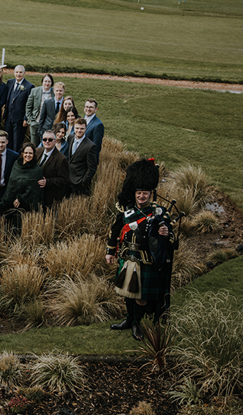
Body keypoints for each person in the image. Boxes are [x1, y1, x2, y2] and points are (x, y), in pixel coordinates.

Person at [106, 159, 175, 340]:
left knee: (141, 296)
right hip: (128, 256)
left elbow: (172, 237)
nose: (141, 197)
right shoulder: (126, 212)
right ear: (135, 193)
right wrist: (110, 251)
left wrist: (166, 232)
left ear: (150, 194)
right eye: (139, 193)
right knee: (128, 292)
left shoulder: (159, 212)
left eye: (145, 193)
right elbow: (115, 230)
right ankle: (129, 320)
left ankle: (136, 323)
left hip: (146, 260)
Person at [0, 142, 44, 230]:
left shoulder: (37, 169)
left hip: (25, 205)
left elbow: (33, 189)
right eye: (26, 153)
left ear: (34, 155)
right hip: (10, 201)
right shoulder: (16, 164)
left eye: (30, 153)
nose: (28, 155)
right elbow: (12, 183)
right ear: (22, 153)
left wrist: (20, 199)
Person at [4, 65, 34, 154]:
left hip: (20, 119)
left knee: (17, 142)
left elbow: (30, 104)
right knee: (8, 140)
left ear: (24, 73)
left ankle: (16, 158)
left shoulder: (29, 86)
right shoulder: (10, 82)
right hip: (8, 117)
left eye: (20, 72)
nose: (18, 74)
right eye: (17, 72)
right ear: (14, 73)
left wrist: (26, 118)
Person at [35, 129, 70, 208]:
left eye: (50, 140)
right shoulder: (37, 151)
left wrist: (47, 182)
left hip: (49, 196)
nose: (47, 141)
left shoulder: (61, 159)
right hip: (35, 193)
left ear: (55, 141)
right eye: (45, 139)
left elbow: (64, 180)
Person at [67, 118, 98, 196]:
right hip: (67, 179)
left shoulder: (90, 146)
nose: (79, 131)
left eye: (82, 128)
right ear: (74, 128)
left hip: (78, 182)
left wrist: (83, 181)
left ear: (85, 129)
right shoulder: (70, 138)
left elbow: (92, 168)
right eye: (77, 128)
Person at [26, 73, 54, 147]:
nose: (47, 83)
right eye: (45, 81)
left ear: (52, 83)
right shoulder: (35, 91)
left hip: (48, 124)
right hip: (35, 121)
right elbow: (28, 106)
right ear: (42, 82)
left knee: (46, 144)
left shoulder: (54, 92)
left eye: (49, 81)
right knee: (34, 144)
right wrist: (30, 119)